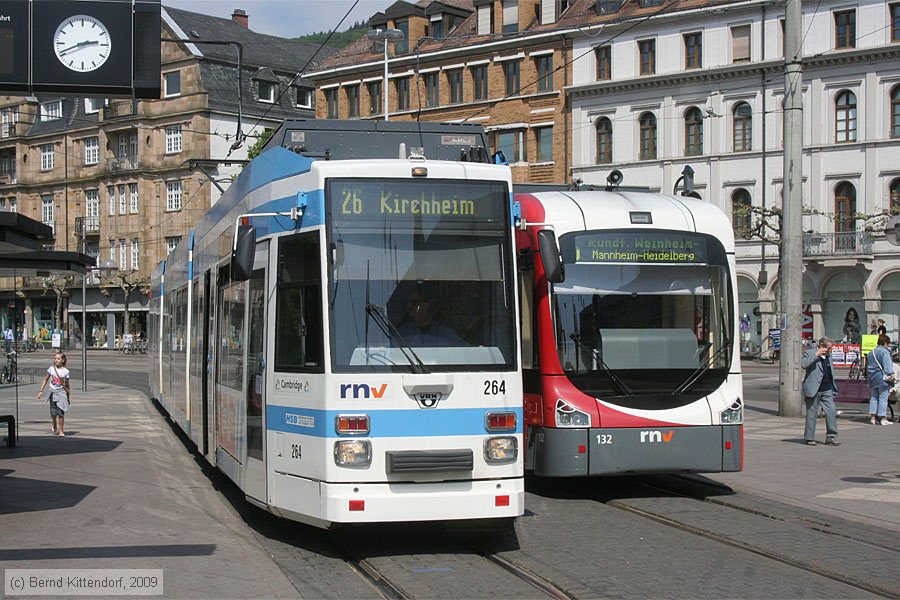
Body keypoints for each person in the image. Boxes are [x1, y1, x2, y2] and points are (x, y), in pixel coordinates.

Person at [801, 337, 841, 446]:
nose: (830, 350)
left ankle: (831, 436)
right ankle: (809, 438)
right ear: (821, 346)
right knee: (812, 413)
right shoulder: (810, 353)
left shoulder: (829, 356)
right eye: (828, 348)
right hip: (813, 388)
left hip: (826, 388)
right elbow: (804, 365)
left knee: (831, 411)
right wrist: (816, 354)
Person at [398, 288, 464, 347]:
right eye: (408, 302)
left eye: (414, 302)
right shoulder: (402, 334)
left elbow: (466, 350)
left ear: (426, 304)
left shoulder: (445, 333)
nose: (409, 305)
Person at [37, 352, 71, 436]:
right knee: (53, 412)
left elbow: (67, 384)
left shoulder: (66, 372)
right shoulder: (51, 369)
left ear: (63, 360)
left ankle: (61, 431)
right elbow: (45, 379)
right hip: (52, 392)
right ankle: (54, 424)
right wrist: (41, 390)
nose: (56, 360)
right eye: (55, 358)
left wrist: (68, 396)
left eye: (58, 359)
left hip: (61, 393)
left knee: (60, 413)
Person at [865, 334, 895, 426]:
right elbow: (887, 366)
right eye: (888, 344)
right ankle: (883, 418)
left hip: (872, 378)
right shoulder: (884, 352)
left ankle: (873, 417)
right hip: (882, 378)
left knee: (874, 398)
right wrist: (891, 374)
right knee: (883, 398)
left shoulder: (871, 352)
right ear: (885, 343)